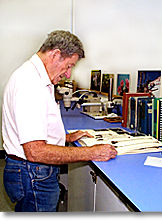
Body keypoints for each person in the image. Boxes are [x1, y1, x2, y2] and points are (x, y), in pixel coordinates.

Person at [2, 30, 117, 212]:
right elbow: (35, 151)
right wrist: (91, 152)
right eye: (69, 66)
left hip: (29, 172)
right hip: (33, 174)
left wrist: (66, 137)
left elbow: (34, 128)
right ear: (56, 54)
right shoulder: (31, 84)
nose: (68, 74)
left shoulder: (37, 77)